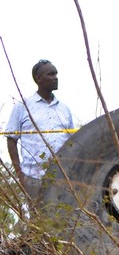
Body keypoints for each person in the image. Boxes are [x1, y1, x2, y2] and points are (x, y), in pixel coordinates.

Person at [5, 59, 76, 200]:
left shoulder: (64, 109)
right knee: (39, 219)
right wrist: (20, 174)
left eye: (56, 74)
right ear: (38, 79)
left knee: (63, 219)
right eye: (51, 74)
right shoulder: (23, 106)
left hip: (62, 177)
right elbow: (11, 139)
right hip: (33, 177)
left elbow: (71, 142)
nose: (56, 78)